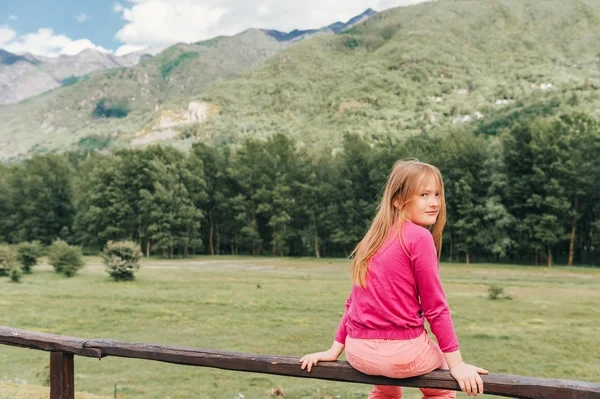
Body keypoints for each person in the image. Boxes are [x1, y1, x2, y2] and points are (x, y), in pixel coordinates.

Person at [299, 159, 488, 398]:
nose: (434, 203)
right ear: (398, 200)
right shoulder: (419, 237)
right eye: (423, 194)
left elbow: (353, 301)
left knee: (386, 392)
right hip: (404, 354)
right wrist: (458, 364)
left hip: (359, 352)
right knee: (441, 390)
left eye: (437, 194)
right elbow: (435, 308)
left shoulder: (374, 237)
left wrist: (335, 350)